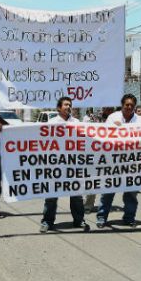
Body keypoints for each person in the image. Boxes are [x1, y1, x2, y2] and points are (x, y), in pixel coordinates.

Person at [40, 97, 90, 233]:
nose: (68, 107)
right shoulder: (51, 123)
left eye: (70, 105)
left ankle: (79, 220)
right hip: (56, 164)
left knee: (77, 195)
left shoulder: (77, 123)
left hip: (73, 164)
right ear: (58, 108)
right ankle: (47, 222)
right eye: (66, 105)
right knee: (51, 195)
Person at [96, 94, 141, 228]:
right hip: (114, 161)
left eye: (132, 105)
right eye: (127, 104)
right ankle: (101, 217)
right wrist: (113, 128)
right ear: (122, 105)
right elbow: (104, 136)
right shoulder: (113, 117)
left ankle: (129, 218)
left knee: (131, 193)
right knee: (108, 191)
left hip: (132, 163)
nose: (129, 107)